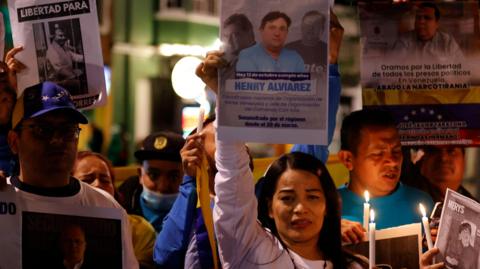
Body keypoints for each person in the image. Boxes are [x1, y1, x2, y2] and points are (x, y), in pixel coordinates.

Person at [6, 81, 138, 268]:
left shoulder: (107, 207)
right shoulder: (3, 199)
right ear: (14, 141)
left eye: (67, 130)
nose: (57, 140)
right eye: (42, 130)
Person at [337, 109, 434, 243]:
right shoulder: (328, 207)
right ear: (347, 159)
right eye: (378, 154)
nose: (393, 162)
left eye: (396, 151)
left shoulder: (422, 204)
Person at [73, 151, 156, 269]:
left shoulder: (139, 229)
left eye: (105, 180)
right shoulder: (63, 224)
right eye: (87, 180)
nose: (97, 185)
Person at [118, 131, 185, 233]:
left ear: (186, 177)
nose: (163, 186)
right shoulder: (119, 208)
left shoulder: (196, 214)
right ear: (140, 175)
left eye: (173, 177)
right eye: (153, 175)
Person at [236, 11, 306, 72]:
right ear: (261, 30)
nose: (277, 33)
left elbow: (304, 85)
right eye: (272, 28)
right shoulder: (247, 55)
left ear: (286, 33)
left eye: (282, 29)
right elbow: (247, 85)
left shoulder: (295, 58)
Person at [392, 2, 463, 61]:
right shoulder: (404, 40)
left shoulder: (447, 42)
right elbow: (393, 69)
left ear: (437, 24)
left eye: (427, 18)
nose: (421, 21)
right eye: (418, 18)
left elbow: (463, 70)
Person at [404, 146, 476, 203]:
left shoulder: (476, 213)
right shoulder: (403, 198)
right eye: (434, 151)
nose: (443, 158)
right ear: (421, 161)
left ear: (464, 161)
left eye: (451, 151)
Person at [46, 24, 85, 95]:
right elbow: (60, 70)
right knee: (79, 84)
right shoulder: (51, 51)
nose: (63, 38)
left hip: (68, 79)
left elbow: (74, 56)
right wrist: (74, 75)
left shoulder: (63, 47)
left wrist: (87, 58)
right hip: (58, 83)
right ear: (53, 36)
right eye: (60, 36)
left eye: (64, 35)